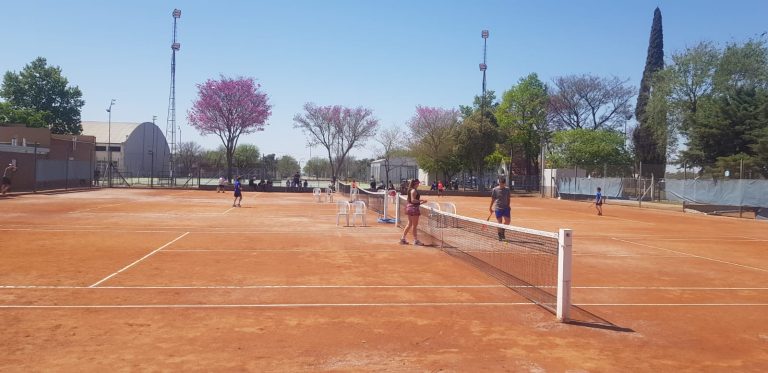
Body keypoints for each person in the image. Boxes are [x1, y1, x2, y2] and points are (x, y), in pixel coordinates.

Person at [400, 179, 427, 246]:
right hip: (413, 209)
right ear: (416, 183)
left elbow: (409, 200)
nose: (419, 185)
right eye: (418, 183)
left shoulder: (410, 190)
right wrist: (421, 201)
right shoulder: (413, 190)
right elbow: (413, 200)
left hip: (409, 208)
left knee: (409, 224)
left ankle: (403, 239)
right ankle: (415, 240)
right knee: (414, 226)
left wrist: (419, 202)